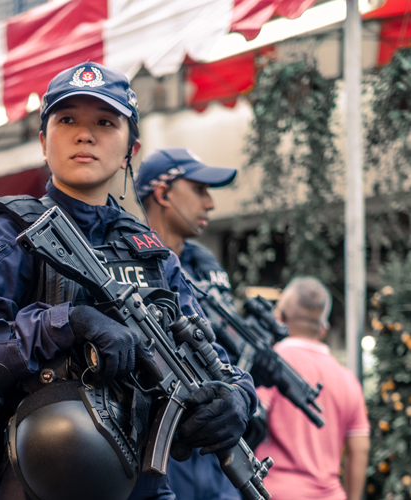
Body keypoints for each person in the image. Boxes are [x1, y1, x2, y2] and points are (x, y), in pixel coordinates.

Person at [0, 62, 257, 500]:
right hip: (37, 483)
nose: (84, 135)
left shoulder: (150, 250)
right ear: (42, 141)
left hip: (142, 486)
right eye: (66, 120)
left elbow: (212, 354)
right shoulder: (11, 231)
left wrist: (237, 398)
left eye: (105, 123)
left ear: (131, 148)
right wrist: (70, 322)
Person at [134, 148, 245, 500]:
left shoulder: (202, 264)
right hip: (157, 456)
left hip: (214, 459)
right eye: (199, 190)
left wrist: (243, 398)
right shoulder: (125, 258)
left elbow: (227, 353)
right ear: (163, 193)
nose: (210, 203)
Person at [255, 277, 369, 500]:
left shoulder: (269, 366)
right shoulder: (348, 380)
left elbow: (249, 421)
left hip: (274, 493)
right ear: (323, 329)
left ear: (279, 318)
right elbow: (360, 449)